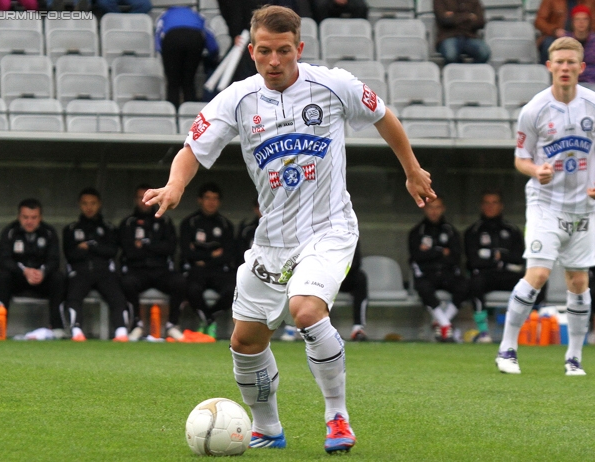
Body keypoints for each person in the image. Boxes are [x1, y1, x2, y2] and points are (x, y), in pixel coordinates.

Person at [143, 5, 436, 453]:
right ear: (252, 51)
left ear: (298, 49)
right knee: (245, 339)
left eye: (283, 51)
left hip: (329, 228)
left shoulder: (333, 85)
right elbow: (193, 149)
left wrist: (412, 170)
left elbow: (384, 117)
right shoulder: (237, 99)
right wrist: (174, 185)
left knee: (304, 309)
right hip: (271, 240)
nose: (274, 61)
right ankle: (268, 428)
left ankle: (336, 416)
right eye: (264, 51)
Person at [496, 37, 595, 376]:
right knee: (537, 274)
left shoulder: (593, 105)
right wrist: (536, 170)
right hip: (546, 203)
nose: (565, 68)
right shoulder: (534, 110)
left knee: (578, 281)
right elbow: (521, 159)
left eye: (571, 63)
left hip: (584, 207)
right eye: (559, 62)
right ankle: (507, 348)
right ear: (549, 66)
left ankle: (574, 357)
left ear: (581, 68)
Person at [119, 184, 190, 341]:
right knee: (126, 282)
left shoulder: (164, 221)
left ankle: (172, 324)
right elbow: (130, 252)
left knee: (180, 281)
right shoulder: (128, 223)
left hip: (161, 270)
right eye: (141, 198)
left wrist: (144, 244)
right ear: (135, 200)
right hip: (137, 270)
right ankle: (137, 324)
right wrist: (155, 246)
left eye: (149, 197)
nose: (145, 201)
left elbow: (170, 248)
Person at [63, 187, 130, 342]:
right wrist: (98, 248)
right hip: (80, 271)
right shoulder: (71, 229)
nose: (89, 207)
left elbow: (112, 251)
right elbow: (70, 254)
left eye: (93, 203)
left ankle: (121, 332)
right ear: (80, 205)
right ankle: (77, 331)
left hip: (104, 271)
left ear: (99, 204)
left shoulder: (109, 228)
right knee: (73, 296)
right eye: (85, 203)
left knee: (118, 297)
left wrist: (90, 246)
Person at [0, 198, 66, 340]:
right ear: (19, 216)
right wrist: (24, 271)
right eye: (25, 217)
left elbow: (54, 260)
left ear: (40, 217)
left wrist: (42, 272)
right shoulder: (10, 232)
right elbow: (3, 260)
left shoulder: (49, 232)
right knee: (2, 277)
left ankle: (57, 327)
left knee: (58, 278)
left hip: (41, 280)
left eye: (34, 217)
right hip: (18, 279)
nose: (29, 221)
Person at [464, 189, 525, 343]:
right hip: (486, 276)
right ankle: (483, 332)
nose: (490, 206)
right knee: (475, 281)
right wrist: (499, 260)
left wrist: (499, 256)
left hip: (508, 275)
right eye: (487, 203)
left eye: (494, 202)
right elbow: (473, 262)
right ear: (481, 206)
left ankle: (524, 330)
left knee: (534, 284)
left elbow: (520, 259)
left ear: (501, 206)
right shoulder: (473, 231)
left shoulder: (512, 230)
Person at [179, 182, 236, 339]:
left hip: (219, 271)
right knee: (191, 288)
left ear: (219, 202)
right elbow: (186, 253)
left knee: (234, 289)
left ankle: (209, 319)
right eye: (207, 198)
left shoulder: (226, 225)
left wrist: (201, 256)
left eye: (215, 198)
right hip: (196, 271)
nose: (211, 202)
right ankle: (208, 320)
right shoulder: (189, 223)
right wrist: (213, 255)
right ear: (200, 200)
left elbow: (228, 255)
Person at [408, 196, 467, 342]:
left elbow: (456, 256)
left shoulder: (451, 232)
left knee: (465, 286)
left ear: (443, 209)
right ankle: (446, 324)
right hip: (427, 274)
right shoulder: (417, 232)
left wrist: (429, 252)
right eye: (430, 207)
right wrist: (441, 251)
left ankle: (441, 322)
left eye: (437, 207)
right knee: (423, 287)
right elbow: (416, 257)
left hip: (447, 273)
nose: (434, 211)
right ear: (425, 209)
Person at [155, 7, 219, 109]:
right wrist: (213, 56)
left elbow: (158, 36)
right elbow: (209, 35)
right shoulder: (198, 15)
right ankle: (191, 115)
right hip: (194, 38)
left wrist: (163, 54)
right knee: (189, 81)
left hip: (172, 38)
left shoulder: (164, 15)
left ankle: (173, 115)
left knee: (173, 83)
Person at [433, 0, 491, 65]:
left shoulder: (474, 1)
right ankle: (458, 72)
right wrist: (468, 16)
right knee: (451, 55)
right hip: (448, 36)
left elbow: (481, 22)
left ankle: (470, 71)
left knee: (484, 53)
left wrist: (453, 16)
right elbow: (444, 20)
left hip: (470, 36)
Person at [569, 5, 595, 83]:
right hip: (571, 81)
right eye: (577, 19)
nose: (581, 22)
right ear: (572, 22)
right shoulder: (565, 41)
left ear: (589, 21)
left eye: (585, 19)